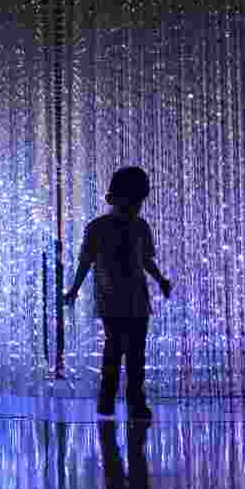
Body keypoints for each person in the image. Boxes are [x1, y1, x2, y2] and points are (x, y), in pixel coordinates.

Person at [64, 167, 172, 420]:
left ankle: (134, 401)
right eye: (130, 201)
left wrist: (161, 280)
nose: (135, 207)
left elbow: (146, 260)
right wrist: (74, 290)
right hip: (111, 300)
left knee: (136, 353)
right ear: (114, 198)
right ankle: (107, 398)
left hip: (137, 301)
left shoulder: (140, 227)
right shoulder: (98, 228)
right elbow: (86, 262)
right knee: (115, 349)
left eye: (138, 202)